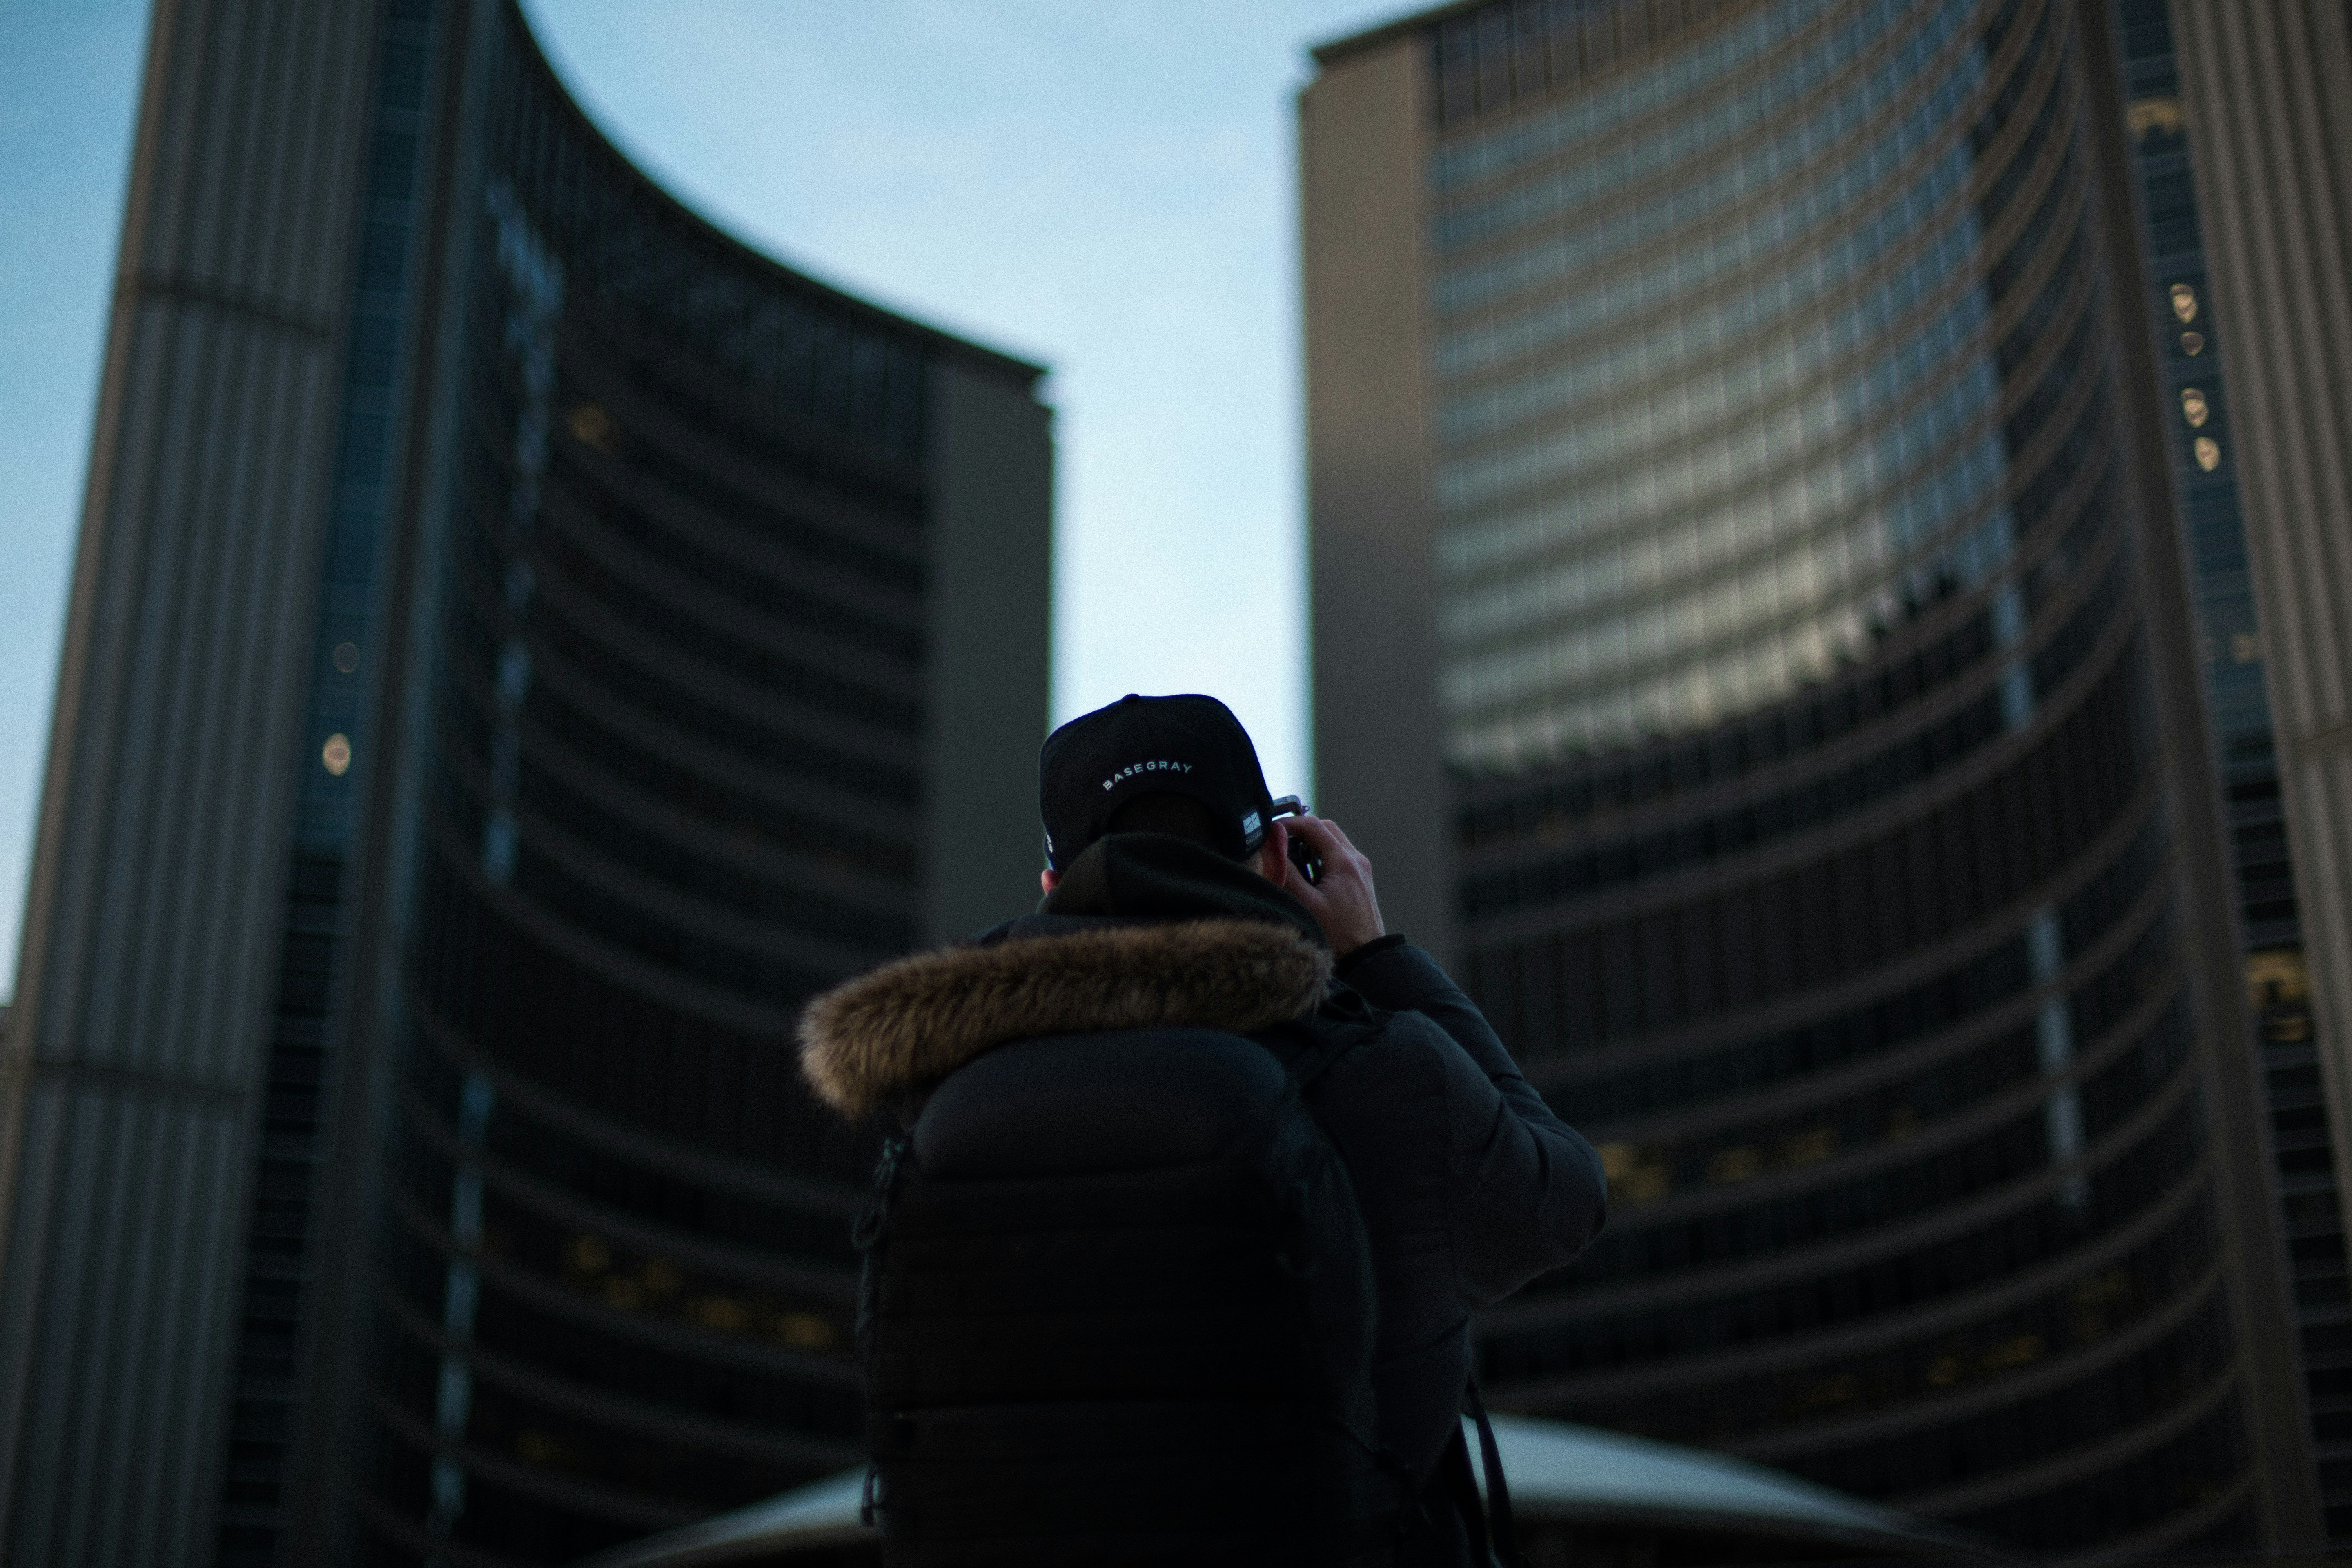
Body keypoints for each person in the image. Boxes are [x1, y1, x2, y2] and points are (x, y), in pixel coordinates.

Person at [799, 693, 1607, 1564]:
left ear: (1051, 887)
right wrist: (1379, 956)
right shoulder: (1386, 1071)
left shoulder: (941, 1091)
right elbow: (1567, 1197)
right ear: (1277, 857)